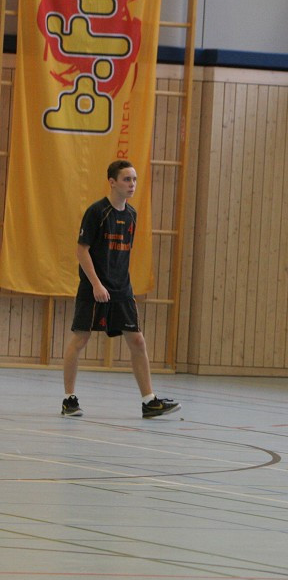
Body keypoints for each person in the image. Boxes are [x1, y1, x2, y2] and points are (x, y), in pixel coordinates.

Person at [61, 160, 181, 419]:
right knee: (80, 339)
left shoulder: (132, 215)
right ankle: (69, 399)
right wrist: (95, 284)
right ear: (112, 182)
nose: (132, 184)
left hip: (121, 289)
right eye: (127, 179)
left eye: (135, 179)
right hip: (94, 287)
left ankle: (149, 401)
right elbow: (81, 250)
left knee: (137, 340)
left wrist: (119, 286)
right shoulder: (96, 212)